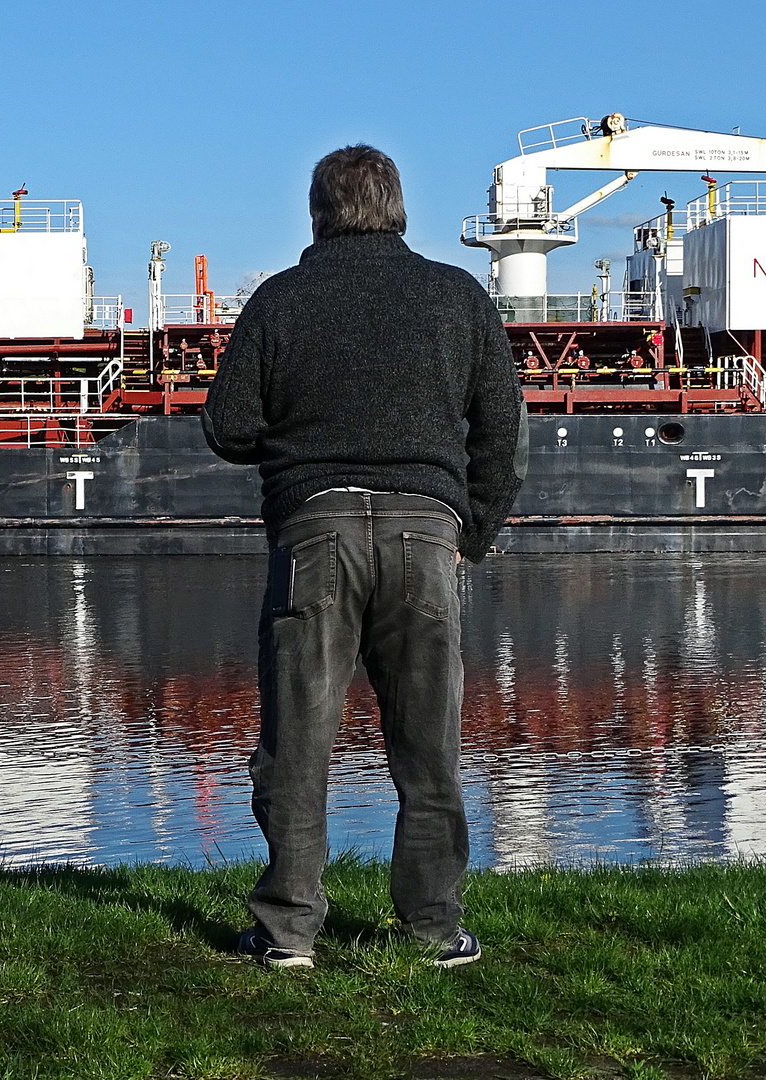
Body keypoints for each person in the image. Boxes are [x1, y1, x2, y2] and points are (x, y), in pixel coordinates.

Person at [202, 145, 526, 969]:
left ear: (317, 212)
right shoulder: (458, 296)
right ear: (399, 208)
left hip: (315, 534)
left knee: (299, 746)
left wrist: (305, 441)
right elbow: (502, 435)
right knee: (427, 750)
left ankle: (287, 935)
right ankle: (432, 930)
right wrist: (471, 531)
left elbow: (228, 426)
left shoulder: (279, 300)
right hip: (428, 537)